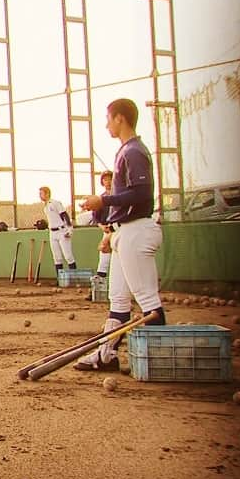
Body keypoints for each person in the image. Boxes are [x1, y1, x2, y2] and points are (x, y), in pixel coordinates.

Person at [75, 98, 166, 372]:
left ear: (120, 119)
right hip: (126, 231)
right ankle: (107, 355)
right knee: (118, 298)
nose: (106, 125)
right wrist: (110, 231)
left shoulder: (134, 151)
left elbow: (142, 193)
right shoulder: (127, 150)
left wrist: (103, 200)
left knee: (148, 299)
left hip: (137, 231)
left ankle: (159, 360)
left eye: (108, 118)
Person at [82, 170, 114, 301]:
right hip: (107, 232)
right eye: (105, 179)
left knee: (124, 262)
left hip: (121, 231)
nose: (108, 181)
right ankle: (97, 290)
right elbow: (97, 219)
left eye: (110, 178)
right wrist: (103, 227)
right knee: (104, 262)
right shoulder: (100, 199)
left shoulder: (121, 195)